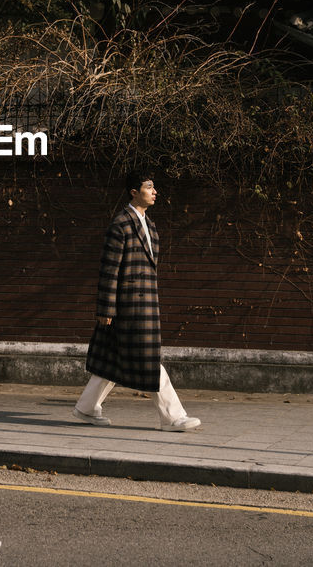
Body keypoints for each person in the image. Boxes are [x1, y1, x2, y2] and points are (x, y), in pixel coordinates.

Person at [73, 172, 201, 432]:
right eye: (149, 187)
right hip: (127, 307)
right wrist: (106, 308)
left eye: (154, 188)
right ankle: (172, 417)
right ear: (134, 191)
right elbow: (110, 269)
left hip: (146, 304)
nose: (155, 192)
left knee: (112, 360)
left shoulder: (150, 226)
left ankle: (86, 408)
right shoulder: (121, 223)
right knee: (149, 359)